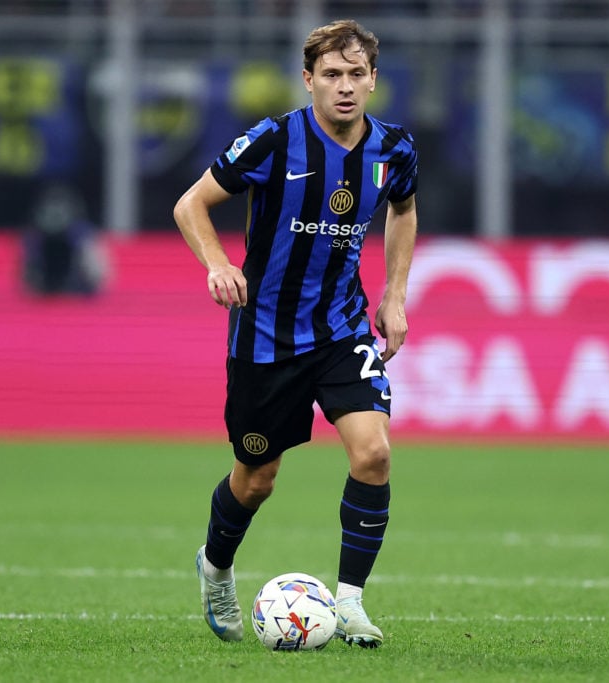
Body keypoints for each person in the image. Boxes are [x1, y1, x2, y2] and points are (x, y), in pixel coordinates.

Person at [173, 19, 418, 648]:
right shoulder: (273, 141)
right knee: (257, 478)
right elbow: (190, 204)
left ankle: (352, 602)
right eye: (331, 75)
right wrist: (220, 263)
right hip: (265, 338)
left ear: (373, 81)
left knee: (374, 453)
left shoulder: (393, 150)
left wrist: (393, 294)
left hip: (341, 329)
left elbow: (404, 208)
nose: (344, 87)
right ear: (308, 81)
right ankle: (216, 565)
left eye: (355, 75)